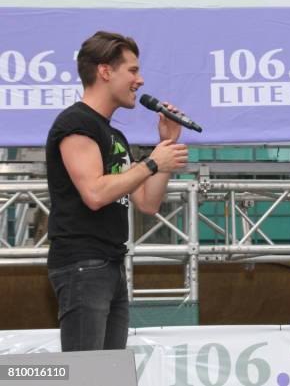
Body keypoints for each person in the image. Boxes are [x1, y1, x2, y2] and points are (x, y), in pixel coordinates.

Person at [45, 31, 189, 351]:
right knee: (86, 374)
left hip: (111, 264)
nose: (140, 80)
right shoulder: (76, 123)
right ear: (105, 71)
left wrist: (166, 145)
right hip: (82, 263)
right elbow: (95, 193)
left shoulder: (116, 137)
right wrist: (152, 162)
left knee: (109, 373)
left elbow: (147, 203)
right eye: (133, 70)